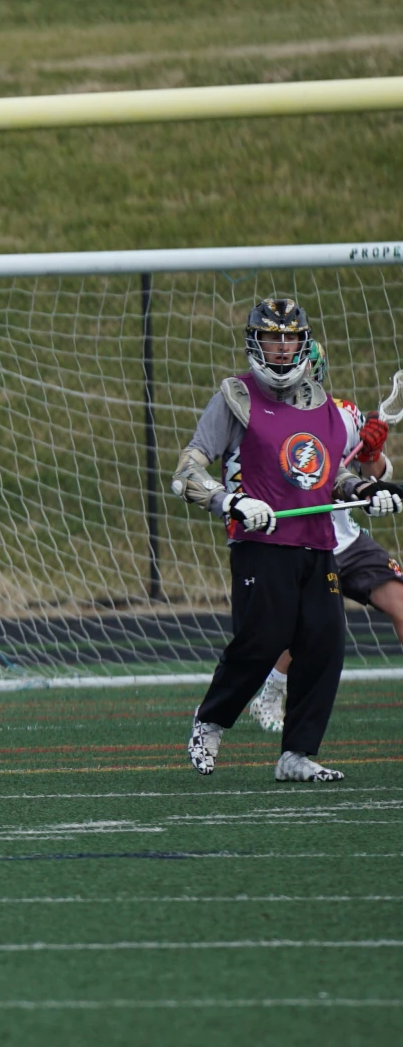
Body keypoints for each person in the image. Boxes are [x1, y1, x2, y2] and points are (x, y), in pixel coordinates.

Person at [170, 297, 399, 779]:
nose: (280, 346)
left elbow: (333, 479)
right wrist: (228, 501)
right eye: (271, 337)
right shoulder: (236, 396)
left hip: (317, 546)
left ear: (303, 342)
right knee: (262, 640)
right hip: (261, 544)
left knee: (325, 644)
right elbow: (188, 468)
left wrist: (367, 491)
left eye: (289, 337)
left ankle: (295, 754)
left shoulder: (328, 410)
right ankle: (209, 720)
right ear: (256, 342)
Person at [248, 391, 403, 731]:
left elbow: (370, 473)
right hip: (302, 539)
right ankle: (270, 692)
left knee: (401, 604)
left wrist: (373, 451)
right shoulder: (267, 419)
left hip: (346, 538)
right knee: (310, 626)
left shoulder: (342, 414)